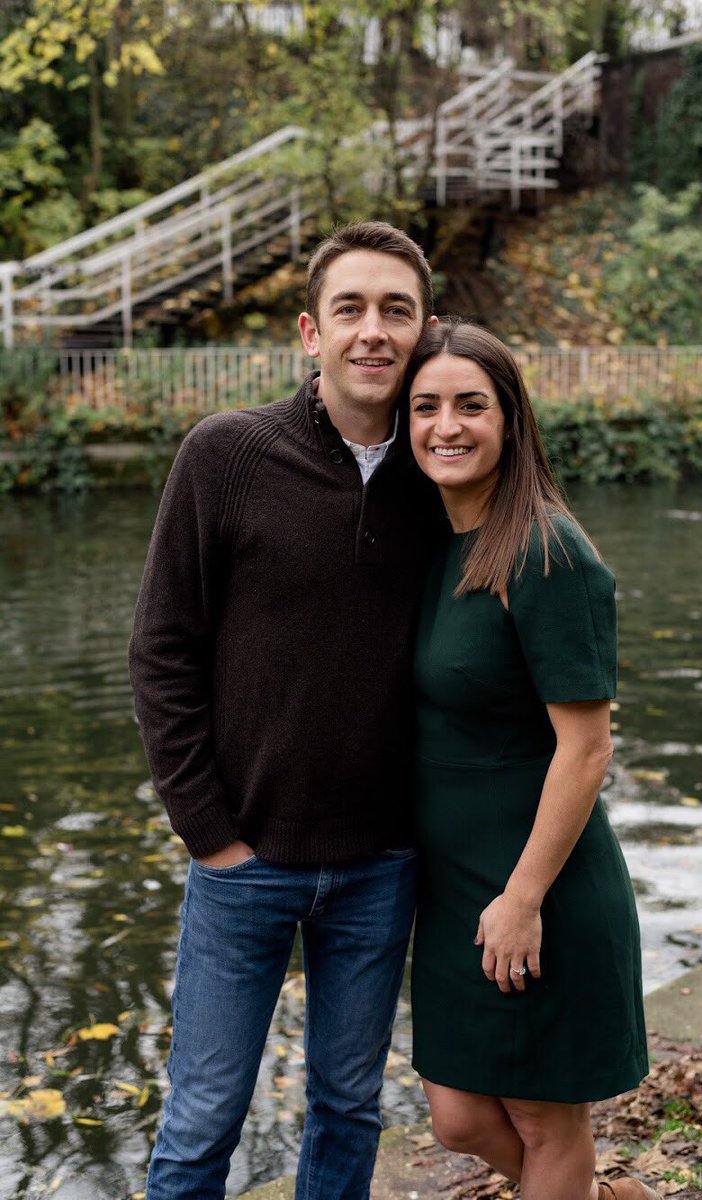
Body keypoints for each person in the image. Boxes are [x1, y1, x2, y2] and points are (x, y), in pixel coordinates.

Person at [128, 221, 439, 1200]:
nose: (373, 330)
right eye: (351, 308)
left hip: (381, 864)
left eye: (398, 309)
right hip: (242, 861)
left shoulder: (445, 476)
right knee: (200, 1124)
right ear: (311, 330)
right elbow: (161, 650)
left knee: (349, 1107)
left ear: (424, 332)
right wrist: (207, 831)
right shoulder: (225, 456)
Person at [406, 319, 656, 1200]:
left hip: (534, 887)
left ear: (510, 419)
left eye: (471, 405)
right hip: (454, 890)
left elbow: (587, 749)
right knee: (457, 1116)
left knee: (545, 1120)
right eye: (425, 406)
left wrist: (522, 899)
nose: (447, 425)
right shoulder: (439, 545)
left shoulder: (548, 552)